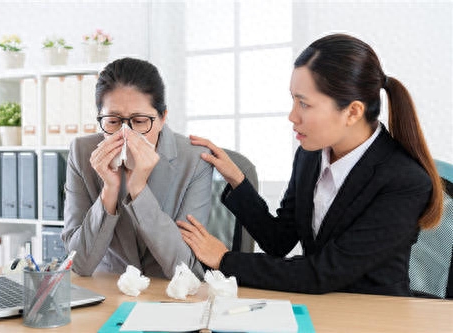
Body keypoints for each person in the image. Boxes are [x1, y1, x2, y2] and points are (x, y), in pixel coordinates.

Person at [177, 34, 443, 296]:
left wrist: (224, 260)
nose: (292, 116)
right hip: (320, 307)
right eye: (293, 100)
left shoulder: (404, 180)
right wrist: (237, 180)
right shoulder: (310, 155)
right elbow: (279, 241)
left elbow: (323, 273)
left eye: (304, 103)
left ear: (352, 112)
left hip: (373, 316)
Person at [61, 57, 213, 278]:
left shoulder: (195, 159)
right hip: (109, 293)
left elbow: (186, 270)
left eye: (140, 121)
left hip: (170, 295)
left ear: (162, 118)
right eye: (113, 121)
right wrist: (109, 191)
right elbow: (79, 264)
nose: (126, 134)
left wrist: (139, 189)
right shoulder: (82, 153)